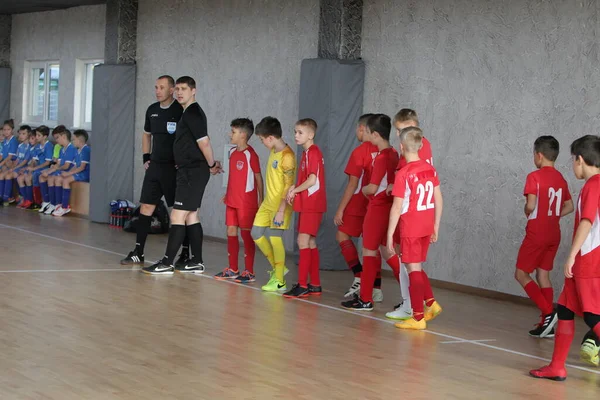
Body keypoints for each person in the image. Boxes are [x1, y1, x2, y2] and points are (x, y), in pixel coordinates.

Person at [530, 135, 600, 381]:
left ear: (580, 160)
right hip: (588, 259)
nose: (572, 165)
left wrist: (571, 255)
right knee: (567, 310)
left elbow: (587, 221)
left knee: (592, 315)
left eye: (573, 160)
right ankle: (557, 366)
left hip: (588, 260)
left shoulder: (593, 186)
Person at [142, 76, 222, 275]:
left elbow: (204, 142)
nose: (179, 92)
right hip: (188, 170)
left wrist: (211, 164)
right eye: (177, 89)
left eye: (183, 89)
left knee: (177, 215)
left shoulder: (193, 113)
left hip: (193, 171)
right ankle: (196, 261)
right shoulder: (187, 112)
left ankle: (167, 262)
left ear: (193, 91)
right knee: (192, 215)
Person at [121, 75, 190, 266]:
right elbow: (146, 135)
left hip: (173, 169)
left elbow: (188, 139)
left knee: (179, 212)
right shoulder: (152, 110)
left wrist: (182, 161)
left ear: (171, 90)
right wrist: (146, 157)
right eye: (155, 87)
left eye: (161, 87)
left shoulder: (181, 110)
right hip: (155, 167)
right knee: (146, 208)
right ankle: (138, 251)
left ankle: (185, 253)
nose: (157, 91)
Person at [515, 136, 573, 338]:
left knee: (521, 274)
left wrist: (527, 210)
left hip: (537, 233)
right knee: (543, 275)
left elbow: (531, 206)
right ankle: (546, 325)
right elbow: (569, 206)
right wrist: (552, 215)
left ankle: (549, 312)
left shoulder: (534, 176)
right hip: (553, 233)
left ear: (539, 155)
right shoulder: (560, 178)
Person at [341, 114, 400, 311]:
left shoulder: (382, 157)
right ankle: (410, 296)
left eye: (366, 131)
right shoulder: (394, 154)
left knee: (369, 252)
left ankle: (366, 298)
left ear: (374, 134)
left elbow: (372, 188)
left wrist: (366, 190)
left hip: (377, 208)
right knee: (388, 253)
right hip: (389, 208)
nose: (364, 134)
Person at [386, 127, 443, 330]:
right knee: (416, 266)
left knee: (413, 269)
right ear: (420, 146)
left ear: (401, 147)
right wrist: (436, 225)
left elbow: (397, 207)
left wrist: (390, 234)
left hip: (411, 226)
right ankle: (429, 304)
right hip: (427, 224)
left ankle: (418, 317)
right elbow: (438, 198)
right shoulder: (430, 169)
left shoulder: (404, 173)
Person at [334, 114, 384, 302]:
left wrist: (340, 209)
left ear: (362, 128)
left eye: (357, 128)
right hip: (378, 203)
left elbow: (352, 184)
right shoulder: (385, 150)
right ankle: (376, 288)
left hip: (359, 202)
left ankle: (359, 276)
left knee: (342, 235)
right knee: (373, 246)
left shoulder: (360, 151)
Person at [214, 118, 263, 283]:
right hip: (232, 201)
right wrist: (228, 194)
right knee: (230, 232)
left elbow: (258, 178)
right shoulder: (233, 152)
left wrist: (261, 200)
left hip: (246, 202)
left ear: (243, 134)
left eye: (233, 132)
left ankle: (249, 271)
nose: (230, 134)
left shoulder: (252, 155)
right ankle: (233, 269)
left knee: (246, 234)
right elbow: (233, 177)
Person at [251, 116, 296, 292]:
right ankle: (279, 268)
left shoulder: (288, 157)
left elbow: (288, 185)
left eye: (262, 139)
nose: (262, 142)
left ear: (270, 138)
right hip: (268, 203)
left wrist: (281, 210)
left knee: (275, 238)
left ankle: (279, 281)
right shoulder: (273, 151)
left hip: (281, 206)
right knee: (256, 233)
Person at [283, 118, 326, 298]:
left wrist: (295, 190)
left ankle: (302, 285)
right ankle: (315, 284)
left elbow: (312, 180)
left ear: (311, 134)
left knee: (302, 242)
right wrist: (295, 188)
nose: (296, 136)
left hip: (311, 204)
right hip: (309, 204)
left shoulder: (313, 152)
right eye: (295, 132)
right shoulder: (307, 153)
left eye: (300, 132)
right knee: (309, 242)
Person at [39, 126, 77, 215]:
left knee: (53, 178)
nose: (56, 141)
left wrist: (52, 171)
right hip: (61, 170)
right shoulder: (61, 149)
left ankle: (57, 204)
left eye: (57, 138)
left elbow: (66, 166)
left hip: (68, 171)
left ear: (64, 137)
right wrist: (49, 170)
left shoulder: (71, 148)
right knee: (42, 176)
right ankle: (49, 202)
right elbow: (58, 164)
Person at [52, 129, 91, 217]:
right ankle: (59, 204)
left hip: (85, 174)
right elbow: (75, 165)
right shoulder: (78, 150)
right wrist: (68, 172)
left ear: (79, 140)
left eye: (74, 139)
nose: (72, 141)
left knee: (66, 181)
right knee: (59, 179)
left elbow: (82, 167)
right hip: (79, 172)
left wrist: (68, 174)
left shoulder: (86, 150)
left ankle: (65, 207)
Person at [23, 126, 53, 210]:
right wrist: (30, 168)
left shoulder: (48, 146)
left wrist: (34, 169)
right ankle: (30, 200)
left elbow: (47, 162)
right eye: (36, 135)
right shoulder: (37, 146)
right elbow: (35, 161)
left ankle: (39, 202)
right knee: (27, 175)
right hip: (38, 168)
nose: (36, 137)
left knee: (36, 175)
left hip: (46, 168)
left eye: (39, 135)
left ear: (45, 136)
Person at [2, 125, 31, 205]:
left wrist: (15, 168)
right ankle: (6, 197)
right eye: (20, 133)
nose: (21, 136)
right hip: (18, 167)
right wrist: (12, 167)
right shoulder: (20, 146)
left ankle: (22, 197)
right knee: (8, 174)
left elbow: (25, 161)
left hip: (24, 167)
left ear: (29, 134)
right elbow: (17, 159)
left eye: (23, 134)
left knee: (14, 174)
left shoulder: (29, 147)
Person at [17, 128, 38, 209]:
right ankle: (26, 199)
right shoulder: (31, 148)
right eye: (29, 138)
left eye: (32, 138)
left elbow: (34, 162)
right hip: (30, 169)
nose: (30, 140)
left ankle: (30, 200)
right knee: (19, 178)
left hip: (36, 170)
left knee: (27, 177)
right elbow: (30, 162)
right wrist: (26, 169)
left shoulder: (36, 148)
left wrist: (28, 170)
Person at [0, 119, 18, 205]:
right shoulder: (5, 141)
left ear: (12, 130)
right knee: (1, 174)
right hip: (6, 163)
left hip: (13, 164)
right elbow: (3, 156)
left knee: (5, 175)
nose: (6, 132)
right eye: (4, 130)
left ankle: (7, 197)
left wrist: (1, 164)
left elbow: (10, 157)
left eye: (8, 129)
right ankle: (2, 196)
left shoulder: (13, 141)